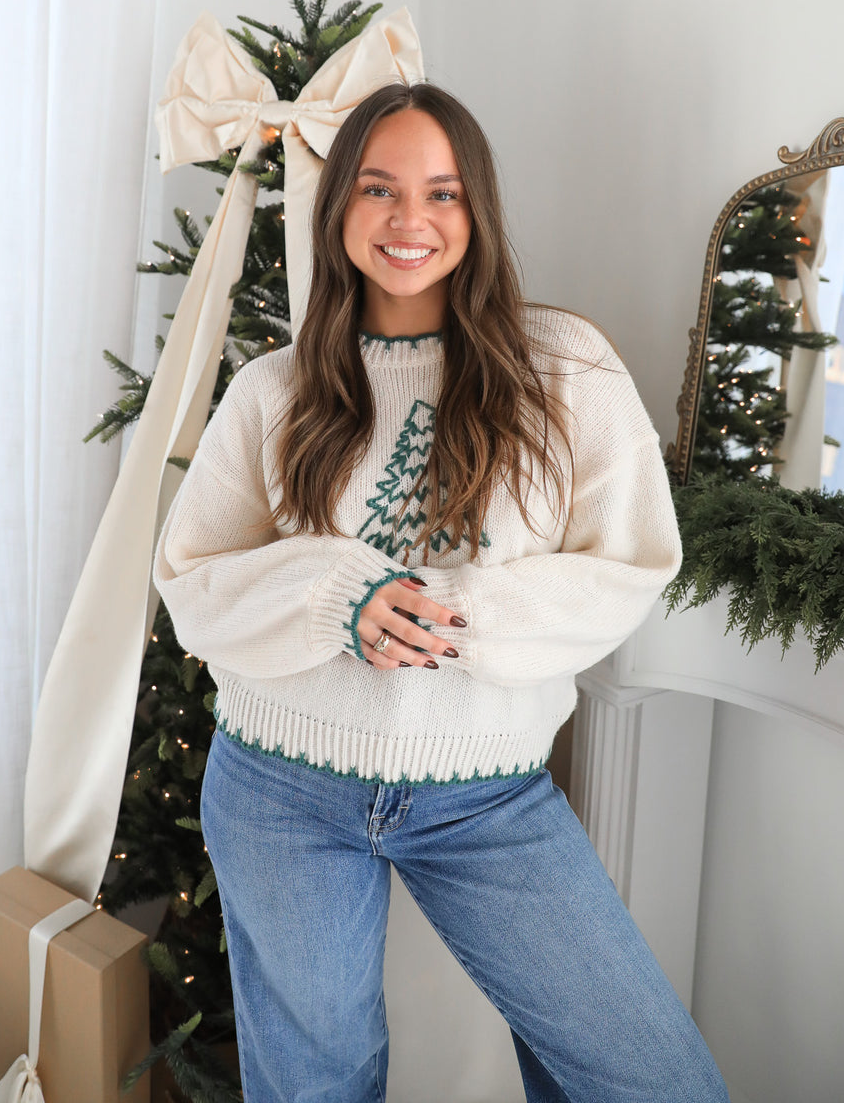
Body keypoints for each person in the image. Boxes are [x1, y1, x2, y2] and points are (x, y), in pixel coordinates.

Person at [153, 82, 729, 1103]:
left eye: (442, 193)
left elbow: (634, 561)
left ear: (479, 212)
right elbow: (191, 585)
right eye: (377, 189)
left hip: (488, 794)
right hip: (281, 789)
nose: (409, 220)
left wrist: (463, 618)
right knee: (314, 1085)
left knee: (651, 1076)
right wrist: (339, 592)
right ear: (337, 211)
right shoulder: (274, 393)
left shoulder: (564, 371)